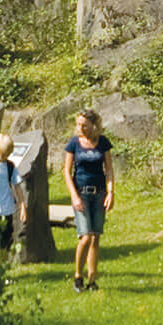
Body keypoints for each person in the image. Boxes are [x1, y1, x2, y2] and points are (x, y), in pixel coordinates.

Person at [62, 108, 114, 291]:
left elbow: (109, 169)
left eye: (84, 125)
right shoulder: (74, 143)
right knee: (86, 236)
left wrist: (111, 192)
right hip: (81, 194)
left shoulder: (103, 142)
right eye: (78, 124)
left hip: (99, 194)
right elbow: (66, 172)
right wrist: (74, 196)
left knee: (95, 237)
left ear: (93, 125)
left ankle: (92, 280)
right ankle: (78, 276)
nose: (80, 128)